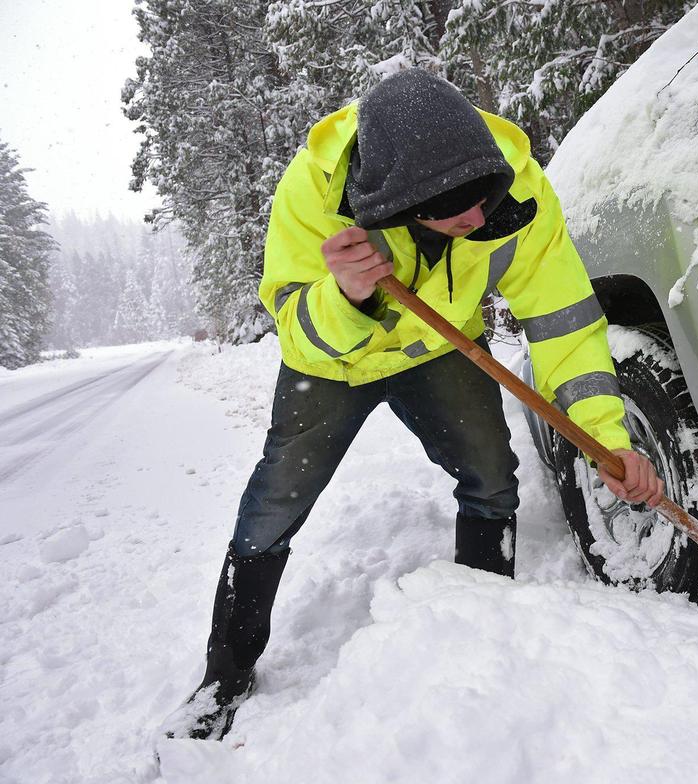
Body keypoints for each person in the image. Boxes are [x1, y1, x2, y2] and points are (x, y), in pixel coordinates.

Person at [161, 68, 664, 741]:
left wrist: (605, 435)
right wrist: (343, 297)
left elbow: (565, 321)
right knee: (274, 503)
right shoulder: (314, 192)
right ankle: (224, 673)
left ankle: (484, 623)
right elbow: (295, 328)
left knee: (491, 477)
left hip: (441, 350)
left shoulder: (515, 188)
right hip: (334, 362)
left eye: (484, 200)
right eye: (457, 212)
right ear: (404, 203)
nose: (480, 219)